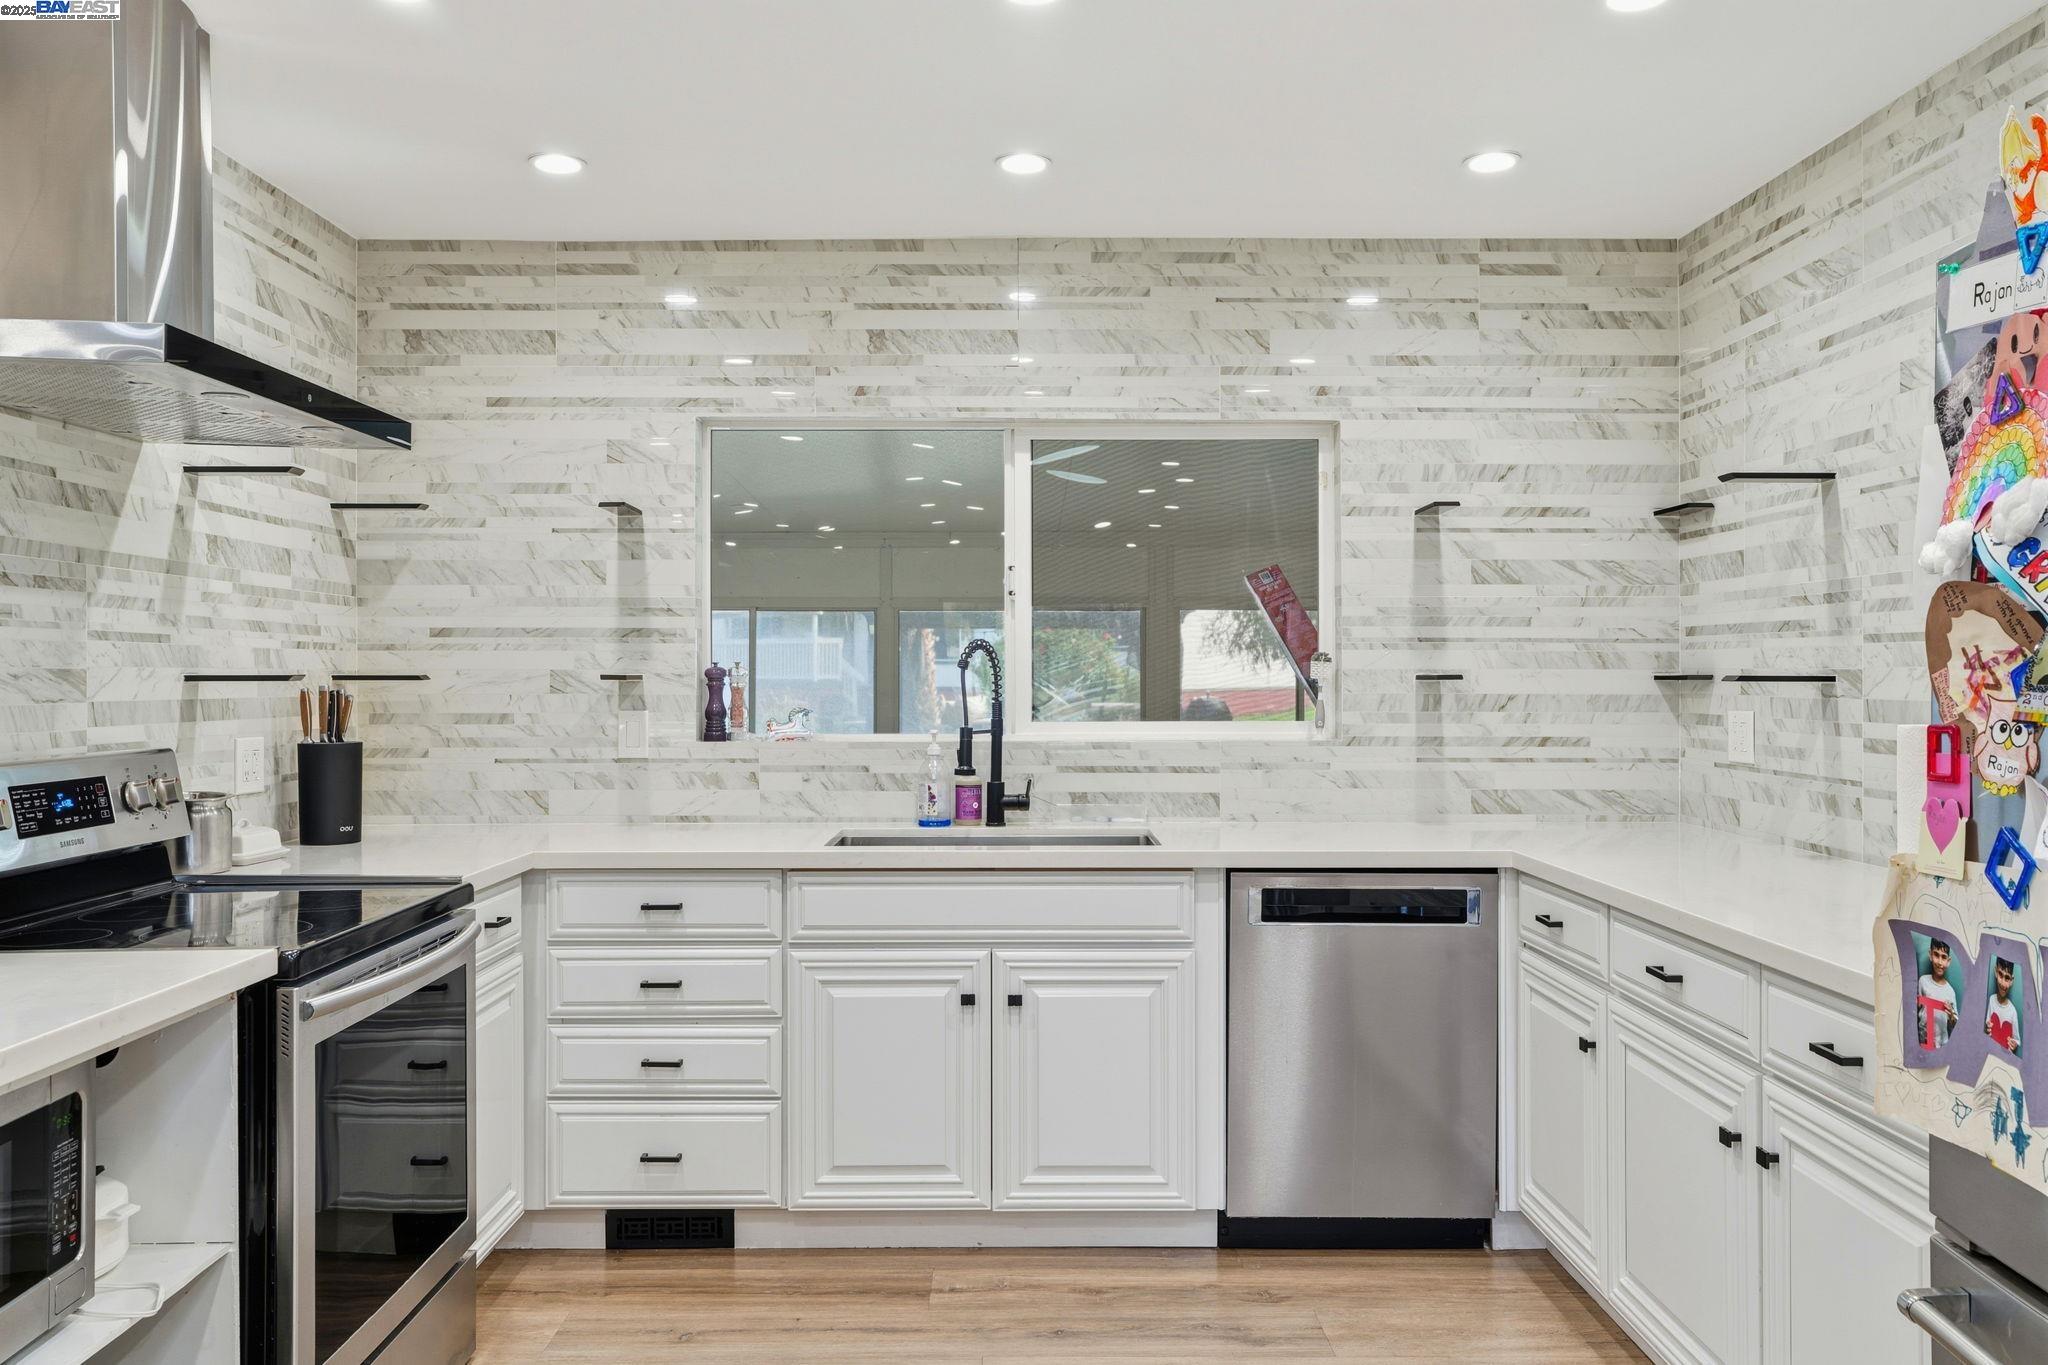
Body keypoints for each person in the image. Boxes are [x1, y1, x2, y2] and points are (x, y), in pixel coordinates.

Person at [1920, 939, 1961, 1048]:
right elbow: (1916, 1010)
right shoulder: (1922, 981)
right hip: (1922, 1041)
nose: (1939, 962)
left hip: (1942, 1045)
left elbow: (1955, 1023)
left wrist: (1952, 1016)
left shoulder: (1950, 992)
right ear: (1930, 955)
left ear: (1948, 961)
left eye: (1943, 957)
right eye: (1936, 955)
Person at [1987, 957, 2023, 1056]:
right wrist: (1988, 1029)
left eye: (2007, 978)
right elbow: (1988, 1026)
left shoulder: (2013, 1012)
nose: (2003, 983)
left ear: (2011, 980)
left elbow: (2016, 1041)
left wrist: (2014, 1044)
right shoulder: (1991, 1000)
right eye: (2000, 975)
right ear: (1995, 972)